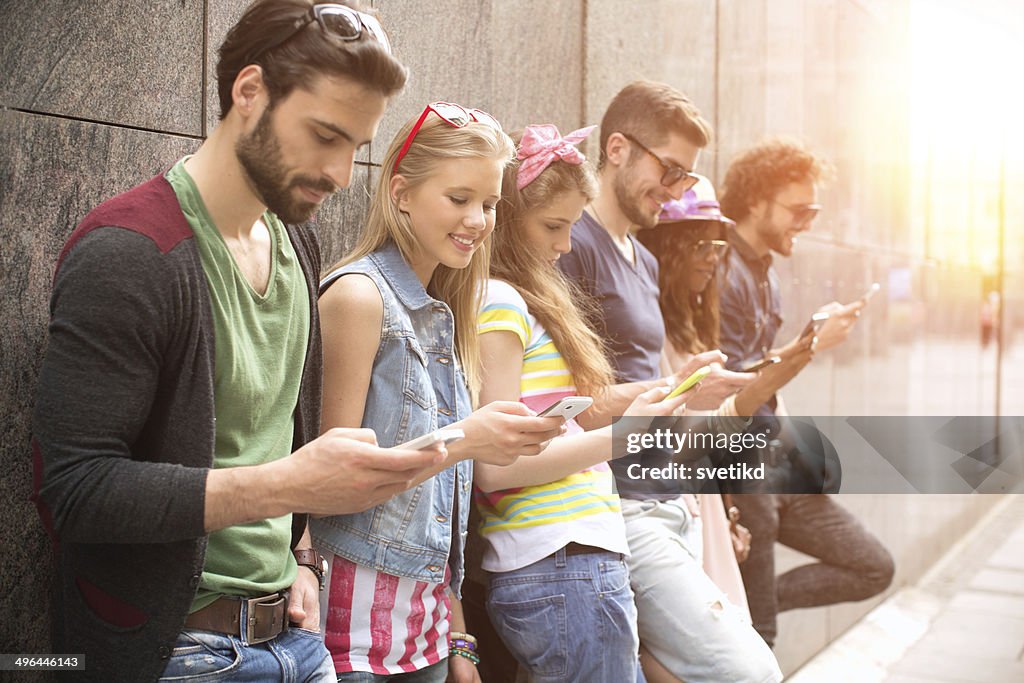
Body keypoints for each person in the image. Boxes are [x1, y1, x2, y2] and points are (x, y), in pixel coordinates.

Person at [29, 2, 451, 680]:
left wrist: (303, 555)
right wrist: (285, 485)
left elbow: (280, 430)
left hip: (297, 636)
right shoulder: (130, 252)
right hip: (176, 650)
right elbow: (74, 488)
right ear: (248, 92)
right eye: (323, 135)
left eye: (356, 147)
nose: (342, 173)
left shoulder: (295, 237)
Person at [314, 103, 566, 683]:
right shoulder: (358, 299)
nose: (478, 220)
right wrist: (469, 438)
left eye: (490, 204)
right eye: (459, 199)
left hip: (425, 638)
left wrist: (457, 633)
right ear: (400, 193)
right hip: (349, 639)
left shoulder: (445, 314)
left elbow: (441, 511)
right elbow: (325, 485)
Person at [557, 81, 781, 683]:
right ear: (617, 149)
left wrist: (685, 388)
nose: (679, 190)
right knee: (751, 671)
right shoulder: (571, 244)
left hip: (670, 501)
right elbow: (561, 404)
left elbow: (645, 388)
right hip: (617, 505)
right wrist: (672, 391)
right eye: (673, 170)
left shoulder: (646, 260)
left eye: (688, 178)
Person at [473, 123, 686, 683]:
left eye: (570, 227)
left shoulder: (522, 299)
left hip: (571, 559)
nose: (564, 245)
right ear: (507, 218)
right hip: (559, 561)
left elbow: (549, 426)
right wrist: (627, 436)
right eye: (552, 226)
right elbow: (495, 467)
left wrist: (635, 402)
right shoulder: (499, 299)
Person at [716, 138, 895, 648]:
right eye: (799, 209)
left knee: (873, 566)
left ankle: (750, 601)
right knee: (761, 638)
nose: (808, 221)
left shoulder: (763, 272)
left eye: (813, 209)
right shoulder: (722, 272)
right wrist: (810, 346)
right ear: (755, 202)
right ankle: (751, 610)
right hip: (739, 473)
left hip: (776, 461)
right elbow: (729, 387)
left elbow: (766, 385)